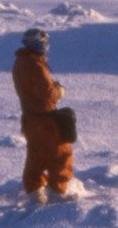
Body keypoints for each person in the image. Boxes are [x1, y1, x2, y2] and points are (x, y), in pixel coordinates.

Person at [12, 27, 76, 202]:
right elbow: (47, 93)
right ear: (39, 44)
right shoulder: (34, 64)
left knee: (37, 155)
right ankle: (58, 192)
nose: (47, 47)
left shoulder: (21, 61)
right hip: (44, 118)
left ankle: (35, 191)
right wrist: (59, 91)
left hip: (30, 118)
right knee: (61, 153)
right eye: (45, 43)